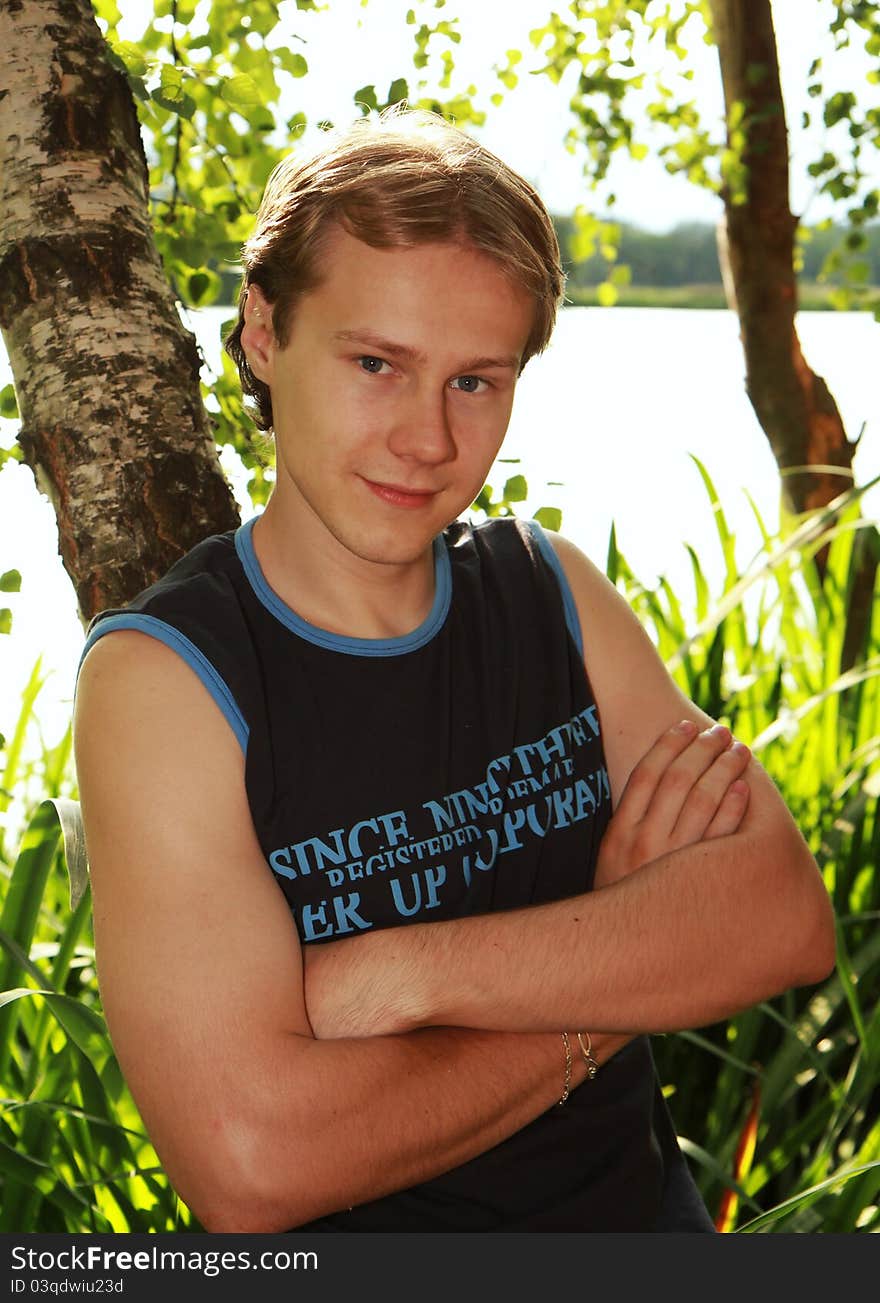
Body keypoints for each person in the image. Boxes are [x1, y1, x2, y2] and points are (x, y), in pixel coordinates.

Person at [72, 107, 836, 1234]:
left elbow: (778, 919)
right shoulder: (170, 680)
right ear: (262, 333)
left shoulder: (549, 592)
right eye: (377, 363)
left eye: (475, 382)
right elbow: (251, 1160)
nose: (427, 440)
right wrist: (616, 962)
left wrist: (400, 974)